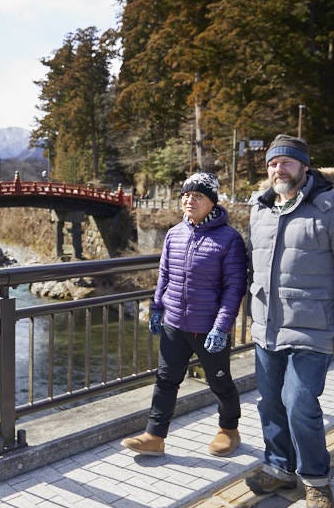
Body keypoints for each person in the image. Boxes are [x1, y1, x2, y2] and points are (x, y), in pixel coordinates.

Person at [244, 134, 334, 508]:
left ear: (304, 166)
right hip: (267, 325)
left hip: (315, 326)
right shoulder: (261, 208)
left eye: (286, 162)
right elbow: (256, 264)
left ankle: (316, 478)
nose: (278, 169)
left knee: (298, 400)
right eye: (272, 164)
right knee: (270, 402)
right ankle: (279, 467)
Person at [121, 172, 247, 458]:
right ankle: (154, 436)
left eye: (198, 195)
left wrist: (221, 327)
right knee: (166, 380)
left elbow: (234, 287)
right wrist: (156, 308)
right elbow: (164, 275)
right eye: (186, 195)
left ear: (212, 202)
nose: (190, 200)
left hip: (208, 327)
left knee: (219, 381)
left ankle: (229, 430)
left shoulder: (229, 239)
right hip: (174, 323)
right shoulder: (174, 233)